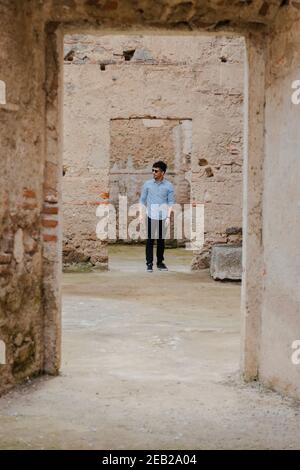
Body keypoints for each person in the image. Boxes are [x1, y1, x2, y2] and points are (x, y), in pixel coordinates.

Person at [139, 161, 174, 272]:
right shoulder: (147, 184)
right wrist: (141, 214)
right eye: (153, 170)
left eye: (156, 171)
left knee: (161, 241)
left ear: (162, 173)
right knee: (149, 240)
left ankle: (160, 263)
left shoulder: (168, 186)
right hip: (150, 216)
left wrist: (168, 217)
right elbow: (142, 200)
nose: (153, 172)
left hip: (163, 217)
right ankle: (149, 263)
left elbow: (170, 203)